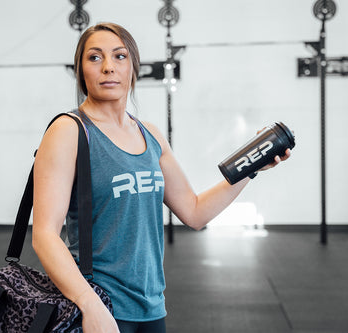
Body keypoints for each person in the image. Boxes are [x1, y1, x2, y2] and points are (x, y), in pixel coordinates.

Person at [32, 22, 291, 333]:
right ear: (81, 70)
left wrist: (251, 167)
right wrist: (89, 305)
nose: (108, 67)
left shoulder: (150, 135)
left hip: (151, 308)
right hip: (99, 306)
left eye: (119, 56)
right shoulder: (69, 131)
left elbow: (194, 212)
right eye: (95, 58)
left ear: (133, 67)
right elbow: (45, 234)